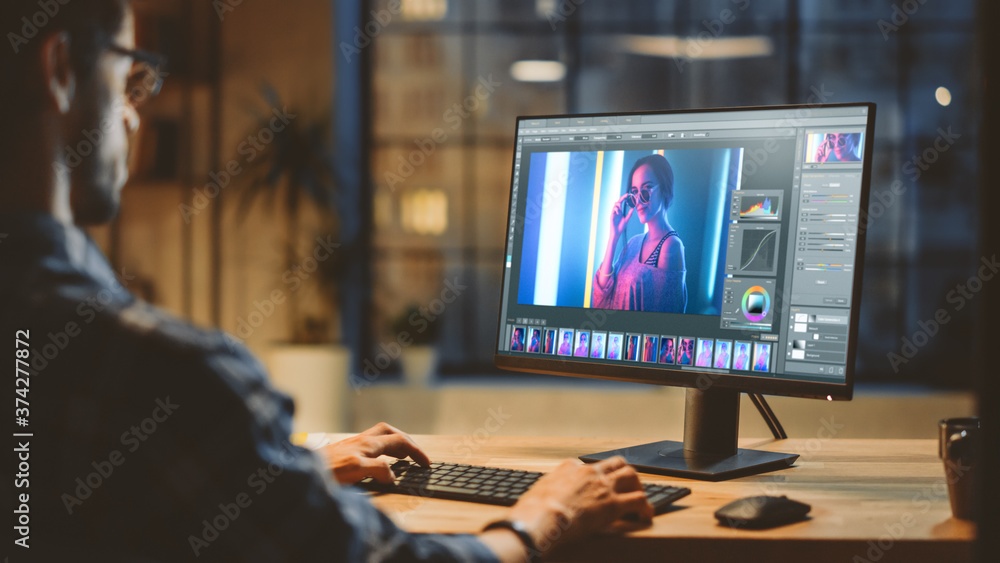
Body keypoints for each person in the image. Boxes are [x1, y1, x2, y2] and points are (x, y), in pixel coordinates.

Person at [0, 1, 653, 559]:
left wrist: (280, 471)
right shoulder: (170, 375)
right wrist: (546, 514)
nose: (134, 114)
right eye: (127, 77)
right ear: (60, 70)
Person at [593, 154, 687, 313]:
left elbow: (664, 319)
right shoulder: (634, 243)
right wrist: (614, 236)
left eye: (646, 190)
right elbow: (601, 295)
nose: (639, 201)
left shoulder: (670, 246)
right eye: (634, 193)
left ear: (664, 188)